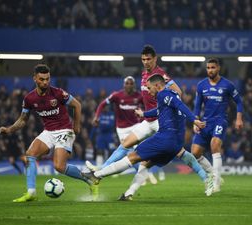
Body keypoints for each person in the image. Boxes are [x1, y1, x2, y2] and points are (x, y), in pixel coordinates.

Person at [85, 45, 212, 199]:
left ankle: (205, 177)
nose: (145, 62)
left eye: (148, 59)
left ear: (155, 59)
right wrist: (144, 112)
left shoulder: (161, 75)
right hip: (148, 119)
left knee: (178, 151)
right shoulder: (145, 74)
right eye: (143, 59)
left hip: (162, 121)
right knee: (126, 143)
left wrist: (174, 110)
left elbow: (177, 93)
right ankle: (103, 172)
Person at [0, 64, 98, 202]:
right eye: (42, 79)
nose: (45, 82)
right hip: (48, 132)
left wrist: (76, 126)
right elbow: (23, 120)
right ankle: (31, 192)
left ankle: (90, 180)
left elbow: (77, 105)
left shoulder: (58, 93)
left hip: (65, 130)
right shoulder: (29, 99)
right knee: (29, 156)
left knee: (58, 166)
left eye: (47, 79)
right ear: (35, 79)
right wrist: (9, 129)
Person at [191, 58, 244, 192]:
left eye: (213, 67)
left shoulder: (227, 85)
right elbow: (197, 106)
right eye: (208, 68)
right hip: (205, 122)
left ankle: (216, 184)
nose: (210, 70)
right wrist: (195, 121)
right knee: (195, 153)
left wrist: (239, 118)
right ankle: (216, 175)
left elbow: (239, 101)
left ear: (218, 68)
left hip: (220, 120)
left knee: (214, 145)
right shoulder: (201, 85)